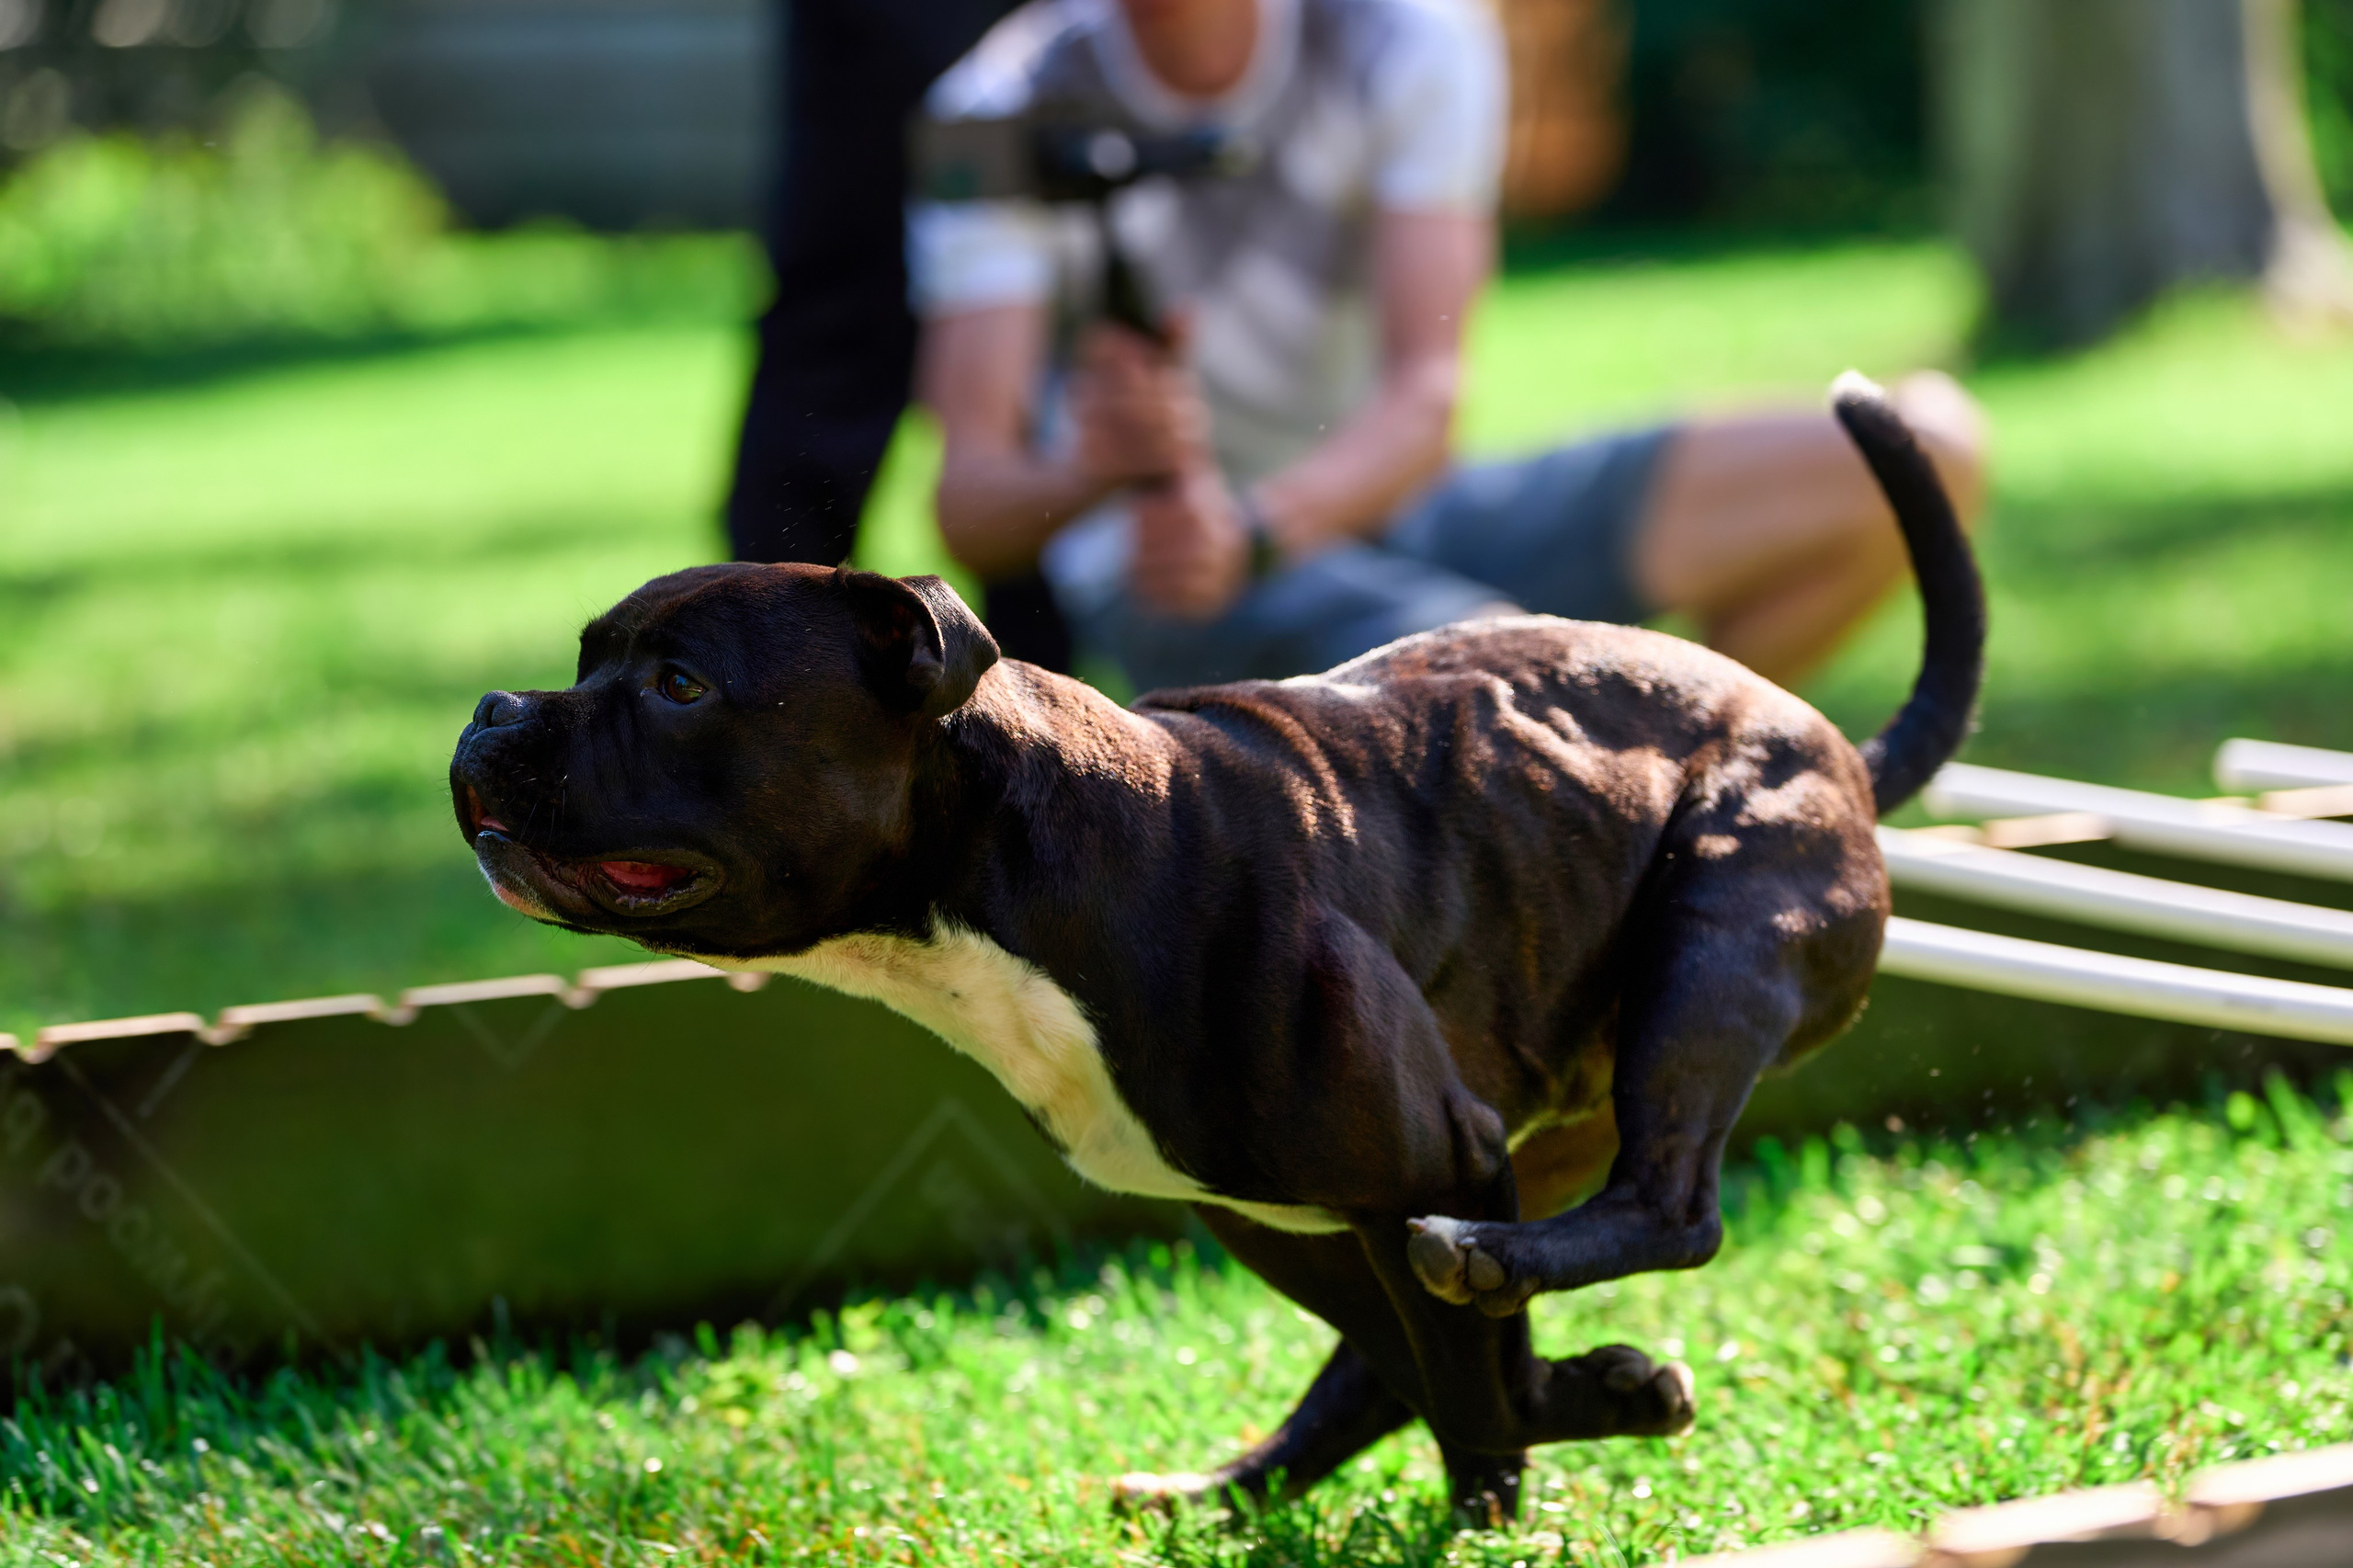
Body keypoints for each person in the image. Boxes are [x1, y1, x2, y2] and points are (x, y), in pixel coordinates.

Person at [908, 0, 1986, 695]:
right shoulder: (995, 109)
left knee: (1920, 453)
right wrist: (1094, 468)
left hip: (1378, 502)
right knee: (1524, 684)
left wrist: (1262, 524)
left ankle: (1656, 791)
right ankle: (1607, 779)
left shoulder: (1408, 36)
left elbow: (1427, 399)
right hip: (1168, 579)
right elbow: (972, 505)